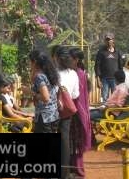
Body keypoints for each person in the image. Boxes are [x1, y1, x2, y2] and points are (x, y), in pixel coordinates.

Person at [52, 46, 79, 179]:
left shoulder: (53, 73)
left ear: (57, 58)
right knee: (65, 140)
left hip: (52, 110)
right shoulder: (73, 73)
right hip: (67, 111)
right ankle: (65, 173)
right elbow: (75, 94)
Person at [68, 48, 92, 179]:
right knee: (73, 141)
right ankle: (74, 167)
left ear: (76, 60)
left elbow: (78, 96)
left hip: (77, 112)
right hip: (75, 110)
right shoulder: (77, 72)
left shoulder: (79, 74)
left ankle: (78, 169)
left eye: (70, 58)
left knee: (77, 141)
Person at [29, 50, 59, 133]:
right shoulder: (48, 73)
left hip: (44, 117)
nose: (29, 64)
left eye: (29, 61)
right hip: (53, 114)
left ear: (34, 62)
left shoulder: (39, 77)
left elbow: (45, 98)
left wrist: (30, 92)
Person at [94, 32, 123, 102]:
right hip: (104, 79)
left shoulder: (118, 52)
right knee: (105, 99)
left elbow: (120, 66)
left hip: (115, 80)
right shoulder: (101, 52)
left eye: (110, 39)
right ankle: (104, 112)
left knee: (115, 99)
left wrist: (121, 80)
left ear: (113, 40)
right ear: (105, 41)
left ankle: (113, 113)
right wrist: (98, 79)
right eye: (107, 39)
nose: (108, 41)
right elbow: (97, 66)